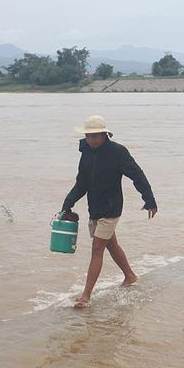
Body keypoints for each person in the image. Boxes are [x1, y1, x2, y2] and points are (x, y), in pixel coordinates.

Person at [61, 115, 157, 308]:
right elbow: (81, 183)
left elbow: (137, 175)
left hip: (111, 208)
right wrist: (68, 203)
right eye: (88, 136)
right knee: (110, 244)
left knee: (97, 249)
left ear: (105, 134)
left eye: (95, 136)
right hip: (95, 209)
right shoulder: (86, 153)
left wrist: (149, 199)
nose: (91, 140)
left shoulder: (118, 152)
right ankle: (130, 276)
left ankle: (86, 295)